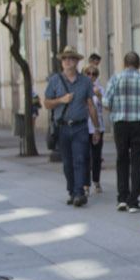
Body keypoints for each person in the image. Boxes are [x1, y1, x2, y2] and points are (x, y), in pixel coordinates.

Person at [42, 46, 100, 207]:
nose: (68, 61)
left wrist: (96, 128)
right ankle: (72, 191)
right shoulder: (55, 80)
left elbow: (91, 105)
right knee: (67, 162)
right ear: (62, 62)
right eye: (65, 59)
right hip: (63, 127)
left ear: (77, 61)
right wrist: (61, 100)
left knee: (80, 159)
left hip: (80, 126)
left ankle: (79, 193)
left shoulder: (85, 81)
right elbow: (46, 103)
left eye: (71, 58)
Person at [103, 52, 140, 212]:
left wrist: (117, 107)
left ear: (124, 63)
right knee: (138, 161)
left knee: (122, 159)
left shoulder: (115, 79)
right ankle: (133, 200)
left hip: (120, 124)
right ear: (139, 64)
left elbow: (106, 102)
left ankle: (122, 198)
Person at [84, 53, 106, 195]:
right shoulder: (80, 88)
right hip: (84, 126)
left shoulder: (100, 89)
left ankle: (96, 181)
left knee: (96, 156)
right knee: (85, 156)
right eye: (88, 73)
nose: (91, 76)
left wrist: (99, 96)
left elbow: (106, 105)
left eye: (94, 74)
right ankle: (85, 184)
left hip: (97, 126)